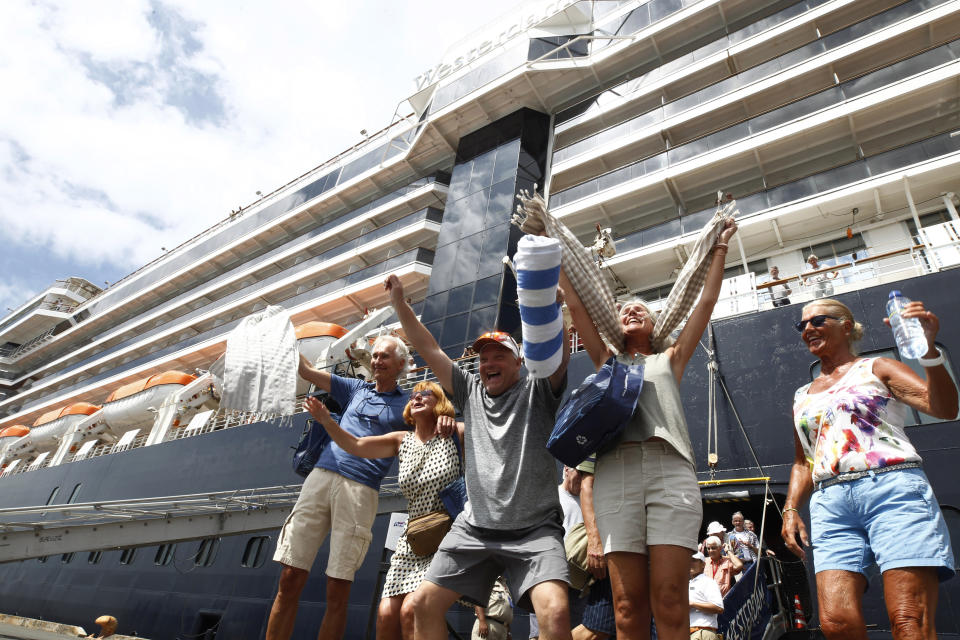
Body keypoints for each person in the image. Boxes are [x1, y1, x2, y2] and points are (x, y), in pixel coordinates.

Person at [561, 219, 738, 639]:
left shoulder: (670, 358)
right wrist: (558, 257)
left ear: (655, 323)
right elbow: (580, 309)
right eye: (624, 309)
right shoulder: (608, 361)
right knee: (625, 606)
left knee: (671, 597)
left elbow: (705, 304)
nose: (631, 310)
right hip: (615, 474)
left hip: (669, 469)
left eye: (640, 308)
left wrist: (719, 251)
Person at [384, 274, 573, 640]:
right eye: (483, 358)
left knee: (556, 612)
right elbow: (429, 347)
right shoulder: (469, 393)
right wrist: (400, 304)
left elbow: (558, 355)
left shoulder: (537, 389)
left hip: (535, 529)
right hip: (474, 528)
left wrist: (557, 309)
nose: (488, 363)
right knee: (424, 604)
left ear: (519, 362)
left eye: (499, 355)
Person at [782, 298, 957, 639]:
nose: (807, 329)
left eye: (817, 320)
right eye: (801, 325)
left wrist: (930, 351)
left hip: (892, 489)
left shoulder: (877, 368)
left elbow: (944, 407)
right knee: (835, 623)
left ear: (846, 326)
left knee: (908, 618)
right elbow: (803, 459)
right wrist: (790, 509)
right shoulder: (802, 393)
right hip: (830, 503)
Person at [265, 336, 411, 640]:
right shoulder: (356, 388)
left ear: (401, 364)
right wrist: (287, 339)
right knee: (290, 576)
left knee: (338, 587)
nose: (376, 361)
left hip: (361, 489)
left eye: (384, 357)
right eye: (374, 356)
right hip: (321, 477)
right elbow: (307, 372)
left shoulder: (408, 405)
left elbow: (434, 429)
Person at [305, 381, 461, 640]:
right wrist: (326, 421)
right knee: (386, 616)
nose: (417, 397)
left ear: (440, 402)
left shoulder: (455, 434)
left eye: (425, 393)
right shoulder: (401, 440)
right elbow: (355, 445)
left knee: (412, 610)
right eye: (413, 395)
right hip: (413, 540)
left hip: (447, 538)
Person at [573, 454, 617, 640]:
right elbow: (587, 484)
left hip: (641, 537)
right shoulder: (602, 429)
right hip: (614, 543)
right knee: (595, 629)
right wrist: (595, 541)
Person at [688, 552, 723, 640]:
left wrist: (692, 604)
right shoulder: (687, 584)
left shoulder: (708, 582)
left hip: (702, 632)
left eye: (694, 560)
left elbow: (718, 607)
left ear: (703, 564)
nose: (690, 563)